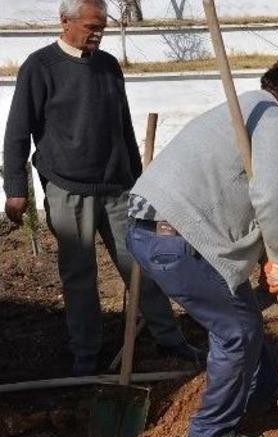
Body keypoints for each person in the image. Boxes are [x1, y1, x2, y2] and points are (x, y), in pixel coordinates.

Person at [126, 57, 278, 437]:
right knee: (236, 332)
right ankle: (209, 432)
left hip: (155, 229)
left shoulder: (247, 107)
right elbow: (274, 196)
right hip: (178, 241)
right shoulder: (272, 120)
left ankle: (264, 389)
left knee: (244, 316)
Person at [2, 0, 200, 376]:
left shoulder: (108, 66)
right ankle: (85, 355)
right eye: (92, 26)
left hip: (116, 187)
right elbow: (17, 130)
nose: (98, 33)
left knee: (140, 264)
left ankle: (169, 337)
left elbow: (123, 127)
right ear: (65, 22)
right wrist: (15, 188)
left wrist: (141, 180)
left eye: (103, 27)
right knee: (79, 275)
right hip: (67, 188)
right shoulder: (40, 67)